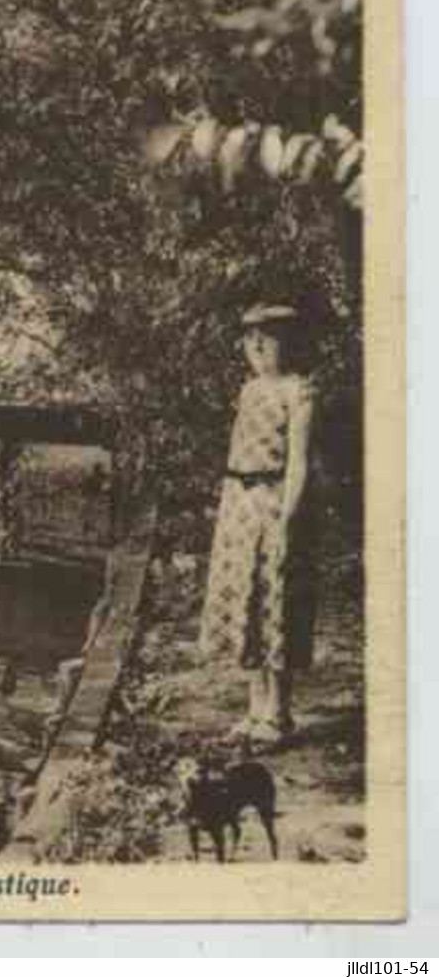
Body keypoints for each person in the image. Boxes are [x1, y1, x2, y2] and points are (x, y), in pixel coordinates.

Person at [200, 303, 317, 749]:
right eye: (251, 338)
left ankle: (279, 714)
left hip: (274, 503)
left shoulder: (299, 390)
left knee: (276, 602)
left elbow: (299, 464)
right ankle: (254, 709)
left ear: (288, 342)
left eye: (268, 338)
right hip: (239, 503)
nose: (258, 346)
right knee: (243, 602)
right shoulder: (249, 390)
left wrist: (288, 520)